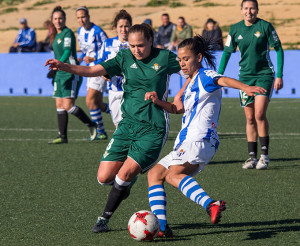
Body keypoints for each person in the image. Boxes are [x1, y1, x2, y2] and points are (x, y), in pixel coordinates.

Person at [45, 23, 182, 233]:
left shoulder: (165, 58)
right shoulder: (124, 57)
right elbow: (92, 70)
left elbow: (191, 70)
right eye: (132, 45)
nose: (136, 50)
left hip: (152, 129)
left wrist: (181, 94)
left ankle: (103, 219)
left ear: (151, 41)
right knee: (104, 178)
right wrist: (64, 66)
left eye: (141, 45)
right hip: (126, 126)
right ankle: (125, 183)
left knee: (123, 175)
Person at [145, 35, 266, 237]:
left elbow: (221, 79)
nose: (182, 63)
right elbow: (177, 108)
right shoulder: (191, 82)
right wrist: (158, 101)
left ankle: (211, 204)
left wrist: (245, 87)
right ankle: (163, 228)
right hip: (190, 140)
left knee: (173, 175)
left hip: (199, 138)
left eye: (186, 59)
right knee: (154, 174)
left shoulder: (205, 75)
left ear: (199, 57)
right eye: (180, 60)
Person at [218, 0, 284, 170]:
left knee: (259, 114)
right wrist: (219, 76)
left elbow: (278, 49)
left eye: (252, 8)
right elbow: (226, 53)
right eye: (246, 8)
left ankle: (264, 156)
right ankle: (252, 157)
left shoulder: (265, 26)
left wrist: (279, 75)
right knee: (249, 118)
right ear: (241, 11)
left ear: (257, 10)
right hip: (245, 79)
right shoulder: (234, 29)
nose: (249, 11)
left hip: (264, 76)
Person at [48, 6, 97, 144]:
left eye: (61, 18)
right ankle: (62, 137)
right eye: (56, 19)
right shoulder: (56, 35)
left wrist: (58, 64)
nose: (58, 21)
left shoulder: (67, 33)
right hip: (59, 72)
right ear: (52, 20)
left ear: (64, 19)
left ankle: (92, 125)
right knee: (59, 103)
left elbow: (67, 51)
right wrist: (56, 69)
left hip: (70, 72)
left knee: (68, 105)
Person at [76, 6, 109, 140]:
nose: (81, 20)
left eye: (83, 17)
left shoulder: (98, 31)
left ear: (89, 16)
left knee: (89, 100)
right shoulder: (79, 31)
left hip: (99, 68)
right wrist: (81, 57)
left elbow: (108, 48)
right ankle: (122, 114)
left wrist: (94, 58)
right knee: (99, 104)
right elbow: (85, 50)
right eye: (78, 18)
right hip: (89, 68)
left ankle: (100, 131)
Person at [97, 9, 132, 127]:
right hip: (114, 90)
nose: (123, 29)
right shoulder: (107, 44)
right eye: (120, 26)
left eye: (126, 26)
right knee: (118, 125)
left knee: (132, 124)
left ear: (131, 27)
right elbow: (100, 61)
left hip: (133, 91)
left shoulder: (136, 44)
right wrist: (102, 73)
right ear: (116, 27)